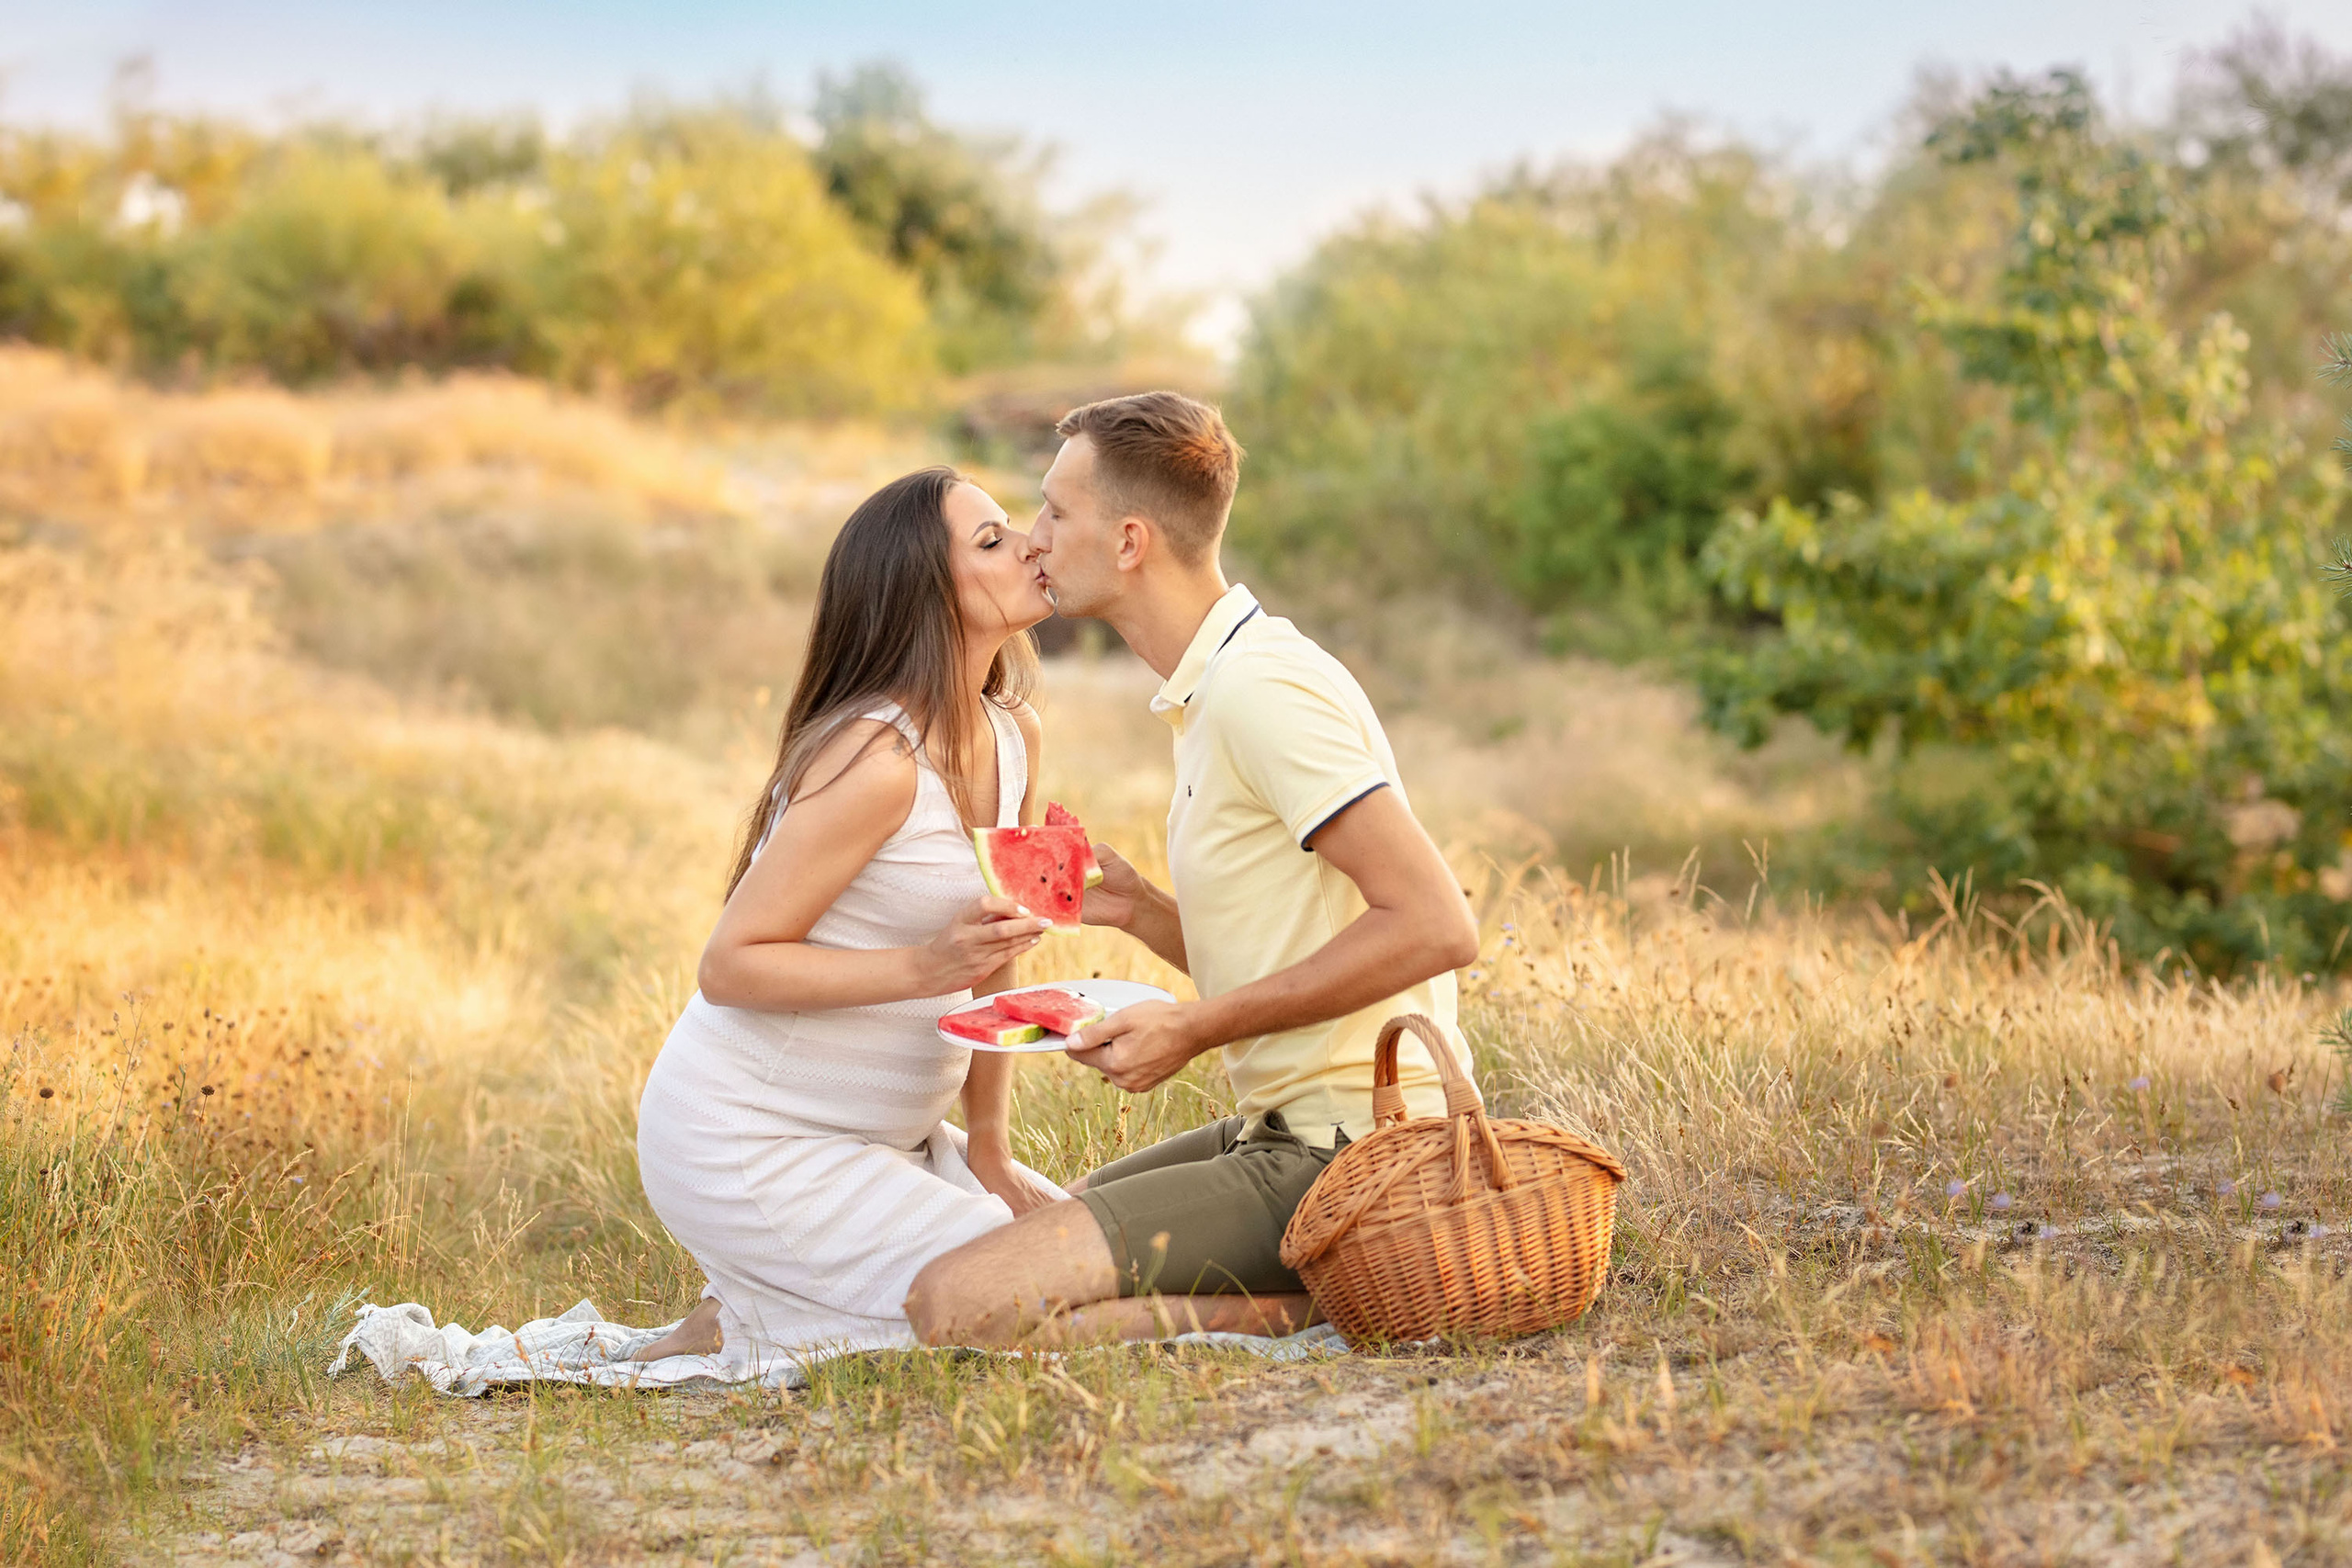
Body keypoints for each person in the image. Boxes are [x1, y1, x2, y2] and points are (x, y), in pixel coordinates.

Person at [902, 392, 1481, 1348]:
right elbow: (1299, 938)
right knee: (1050, 1219)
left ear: (1129, 541)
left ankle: (1314, 1308)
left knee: (957, 1311)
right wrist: (1140, 912)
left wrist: (1194, 1029)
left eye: (1054, 513)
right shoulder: (1215, 687)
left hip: (1354, 1148)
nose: (1034, 538)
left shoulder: (1261, 692)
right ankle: (1329, 1287)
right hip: (1280, 1128)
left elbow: (1433, 924)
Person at [633, 467, 1066, 1364]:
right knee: (1026, 1305)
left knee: (1078, 1252)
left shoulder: (1013, 735)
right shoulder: (877, 761)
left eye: (1012, 527)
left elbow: (995, 948)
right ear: (926, 596)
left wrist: (987, 1147)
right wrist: (921, 968)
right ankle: (757, 1303)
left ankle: (746, 1314)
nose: (1030, 543)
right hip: (750, 1143)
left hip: (890, 1140)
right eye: (989, 541)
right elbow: (731, 964)